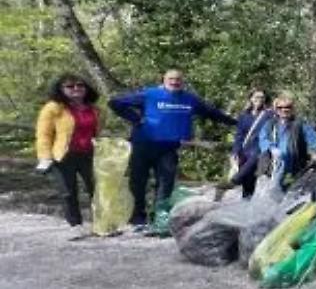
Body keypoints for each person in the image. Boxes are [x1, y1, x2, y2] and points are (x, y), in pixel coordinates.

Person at [110, 69, 237, 229]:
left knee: (166, 182)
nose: (175, 82)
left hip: (169, 147)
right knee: (138, 182)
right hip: (143, 144)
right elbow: (115, 103)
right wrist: (136, 119)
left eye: (178, 79)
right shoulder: (150, 94)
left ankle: (159, 216)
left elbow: (212, 113)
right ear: (164, 79)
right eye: (171, 79)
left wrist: (237, 123)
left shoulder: (189, 99)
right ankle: (137, 216)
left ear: (182, 81)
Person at [35, 73, 101, 231]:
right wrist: (45, 157)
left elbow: (96, 132)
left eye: (80, 85)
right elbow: (44, 134)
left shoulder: (94, 109)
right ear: (61, 89)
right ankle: (75, 224)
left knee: (98, 190)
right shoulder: (53, 108)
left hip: (89, 154)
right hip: (64, 156)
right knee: (68, 192)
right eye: (70, 86)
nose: (76, 89)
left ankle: (102, 223)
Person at [258, 92, 316, 190]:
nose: (284, 110)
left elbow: (313, 138)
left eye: (288, 107)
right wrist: (272, 148)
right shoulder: (270, 124)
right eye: (280, 107)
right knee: (268, 160)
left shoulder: (299, 124)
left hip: (294, 161)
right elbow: (263, 139)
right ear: (276, 109)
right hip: (273, 162)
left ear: (292, 109)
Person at [229, 88, 271, 198]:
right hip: (245, 150)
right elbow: (239, 136)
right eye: (257, 97)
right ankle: (245, 203)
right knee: (248, 184)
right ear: (251, 99)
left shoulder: (268, 115)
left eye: (262, 97)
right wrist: (235, 153)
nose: (259, 100)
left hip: (260, 149)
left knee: (255, 157)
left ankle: (235, 179)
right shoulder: (244, 116)